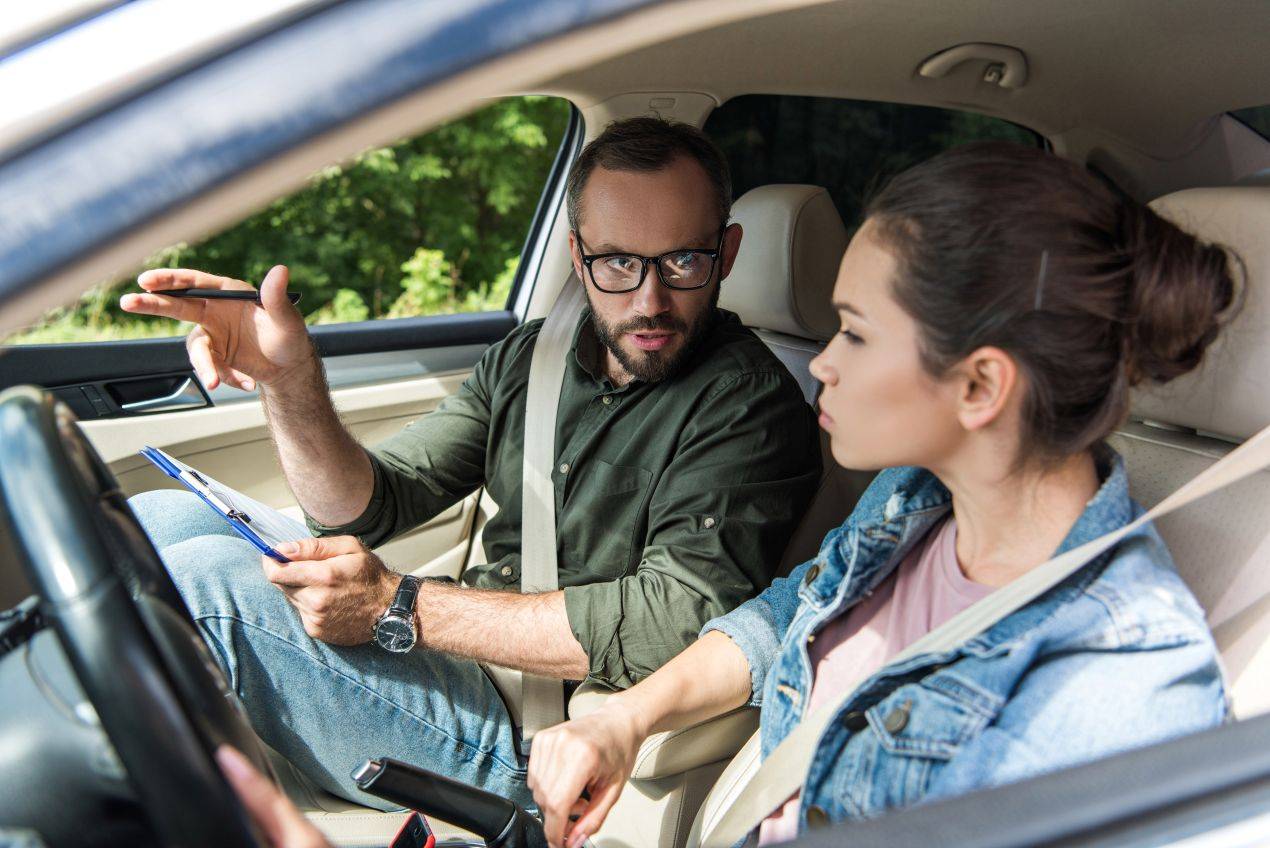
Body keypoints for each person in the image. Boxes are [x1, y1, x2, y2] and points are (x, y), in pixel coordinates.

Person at [523, 141, 1239, 848]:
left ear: (979, 386)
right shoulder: (915, 499)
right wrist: (624, 720)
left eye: (856, 335)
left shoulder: (1114, 687)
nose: (823, 364)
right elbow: (790, 614)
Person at [119, 117, 822, 810]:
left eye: (683, 262)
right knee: (155, 519)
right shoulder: (533, 357)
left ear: (727, 252)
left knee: (206, 584)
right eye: (617, 262)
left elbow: (673, 620)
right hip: (457, 659)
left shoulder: (749, 406)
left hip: (537, 734)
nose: (649, 300)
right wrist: (287, 378)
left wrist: (398, 605)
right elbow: (368, 505)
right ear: (578, 256)